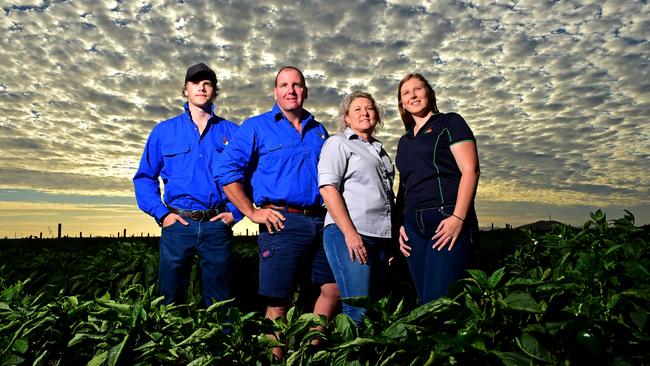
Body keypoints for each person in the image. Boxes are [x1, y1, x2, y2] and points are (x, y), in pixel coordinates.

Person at [215, 66, 339, 352]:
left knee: (331, 290)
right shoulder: (256, 127)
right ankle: (276, 358)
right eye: (284, 85)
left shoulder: (318, 130)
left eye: (297, 85)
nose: (291, 90)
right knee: (279, 301)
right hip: (281, 222)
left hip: (320, 222)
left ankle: (310, 353)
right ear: (275, 91)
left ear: (305, 91)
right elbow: (226, 171)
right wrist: (251, 212)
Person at [133, 62, 241, 306]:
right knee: (169, 298)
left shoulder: (233, 133)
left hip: (217, 225)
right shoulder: (164, 131)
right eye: (195, 83)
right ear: (185, 90)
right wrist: (162, 214)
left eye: (207, 84)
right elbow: (144, 178)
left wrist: (234, 214)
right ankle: (169, 344)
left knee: (220, 300)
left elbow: (250, 178)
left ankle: (221, 344)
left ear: (214, 91)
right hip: (177, 224)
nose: (201, 88)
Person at [395, 73, 480, 304]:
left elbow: (470, 170)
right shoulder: (404, 141)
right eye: (406, 93)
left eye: (418, 89)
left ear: (429, 93)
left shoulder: (450, 122)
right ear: (401, 103)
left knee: (440, 301)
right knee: (424, 302)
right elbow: (404, 187)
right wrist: (400, 226)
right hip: (413, 226)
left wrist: (458, 218)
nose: (412, 95)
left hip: (445, 218)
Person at [318, 91, 393, 324]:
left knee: (377, 309)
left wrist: (390, 243)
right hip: (350, 233)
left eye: (370, 108)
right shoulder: (338, 143)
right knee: (357, 308)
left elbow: (388, 198)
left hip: (380, 237)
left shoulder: (382, 153)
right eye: (358, 109)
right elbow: (328, 189)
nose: (365, 112)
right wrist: (350, 233)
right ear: (347, 118)